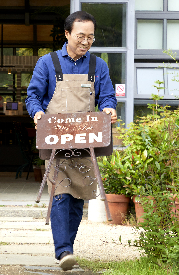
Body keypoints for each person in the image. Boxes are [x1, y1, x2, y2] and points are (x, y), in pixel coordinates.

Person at [25, 10, 117, 271]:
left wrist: (109, 108)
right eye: (80, 36)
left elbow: (107, 96)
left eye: (90, 37)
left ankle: (68, 249)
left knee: (79, 198)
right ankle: (63, 250)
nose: (86, 42)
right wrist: (37, 112)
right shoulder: (48, 63)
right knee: (60, 195)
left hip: (85, 142)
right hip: (56, 140)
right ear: (67, 34)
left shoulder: (98, 66)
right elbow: (33, 97)